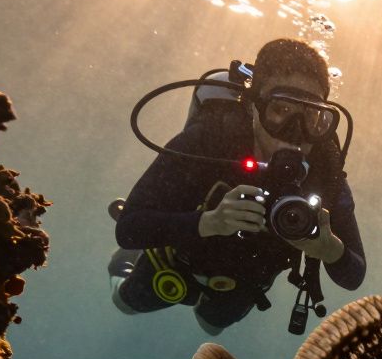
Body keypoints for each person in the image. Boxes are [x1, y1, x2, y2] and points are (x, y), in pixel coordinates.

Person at [108, 38, 365, 335]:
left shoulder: (325, 170)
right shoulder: (210, 139)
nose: (296, 131)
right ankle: (125, 264)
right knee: (124, 302)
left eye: (311, 116)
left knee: (210, 326)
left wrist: (329, 249)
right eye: (281, 109)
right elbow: (128, 229)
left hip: (245, 281)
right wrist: (210, 222)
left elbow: (354, 273)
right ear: (254, 106)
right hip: (175, 261)